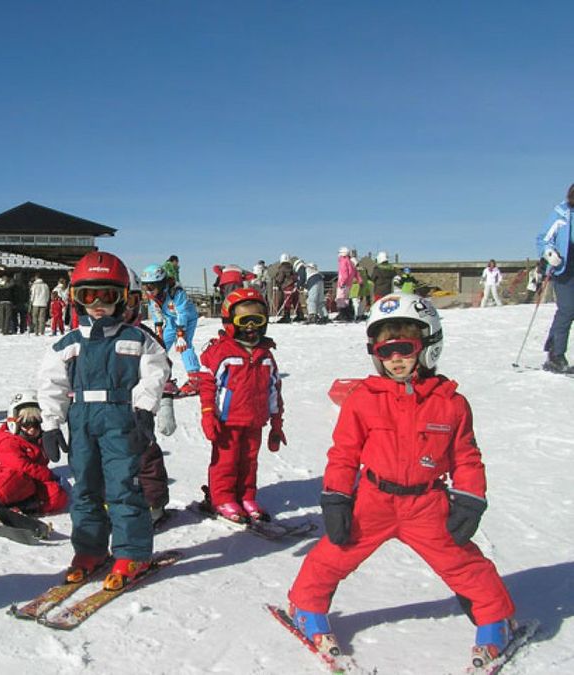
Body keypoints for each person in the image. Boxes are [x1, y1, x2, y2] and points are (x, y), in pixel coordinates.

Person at [285, 292, 516, 666]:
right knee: (335, 553)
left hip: (426, 504)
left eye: (404, 349)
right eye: (385, 351)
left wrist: (470, 499)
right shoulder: (364, 399)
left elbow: (467, 457)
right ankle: (305, 606)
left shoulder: (451, 403)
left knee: (462, 561)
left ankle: (495, 618)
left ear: (428, 346)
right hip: (375, 499)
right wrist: (336, 497)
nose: (395, 359)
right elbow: (344, 453)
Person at [38, 251, 169, 591]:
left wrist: (144, 409)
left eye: (107, 296)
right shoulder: (67, 343)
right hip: (81, 420)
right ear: (76, 299)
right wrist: (50, 424)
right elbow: (52, 383)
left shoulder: (136, 339)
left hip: (121, 419)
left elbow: (156, 371)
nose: (98, 304)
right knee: (85, 488)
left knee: (123, 486)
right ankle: (89, 549)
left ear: (122, 297)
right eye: (89, 295)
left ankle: (132, 553)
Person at [197, 287, 285, 522]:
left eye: (257, 320)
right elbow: (207, 384)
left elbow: (274, 390)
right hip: (228, 422)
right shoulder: (222, 352)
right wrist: (208, 414)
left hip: (255, 420)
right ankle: (222, 498)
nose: (251, 327)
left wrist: (276, 423)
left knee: (249, 461)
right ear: (230, 322)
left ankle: (246, 496)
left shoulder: (265, 355)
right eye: (244, 321)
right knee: (225, 462)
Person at [123, 268, 175, 526]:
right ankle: (112, 503)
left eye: (129, 302)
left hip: (138, 412)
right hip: (102, 413)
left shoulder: (144, 337)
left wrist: (165, 405)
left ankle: (154, 503)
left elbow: (162, 371)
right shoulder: (89, 340)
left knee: (146, 458)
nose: (121, 311)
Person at [0, 391, 68, 515]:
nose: (32, 429)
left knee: (57, 494)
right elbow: (23, 466)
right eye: (27, 424)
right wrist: (48, 475)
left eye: (36, 424)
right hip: (5, 477)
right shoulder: (7, 440)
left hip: (29, 485)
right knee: (8, 481)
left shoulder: (40, 440)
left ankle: (24, 507)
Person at [141, 263, 202, 396]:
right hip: (171, 320)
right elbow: (155, 312)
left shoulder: (176, 292)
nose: (148, 291)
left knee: (184, 345)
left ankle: (195, 379)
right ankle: (163, 378)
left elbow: (182, 313)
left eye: (150, 287)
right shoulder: (153, 296)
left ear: (160, 284)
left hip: (187, 319)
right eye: (144, 287)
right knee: (160, 346)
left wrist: (180, 334)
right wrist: (158, 329)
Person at [536, 183, 574, 373]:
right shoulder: (561, 214)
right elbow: (543, 239)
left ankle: (554, 349)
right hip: (565, 270)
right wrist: (549, 253)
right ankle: (556, 355)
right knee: (567, 310)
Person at [335, 247, 361, 322]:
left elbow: (344, 273)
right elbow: (355, 273)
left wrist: (342, 283)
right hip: (349, 284)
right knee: (346, 300)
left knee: (340, 300)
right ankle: (348, 315)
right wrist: (360, 280)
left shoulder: (343, 261)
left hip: (343, 283)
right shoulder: (350, 262)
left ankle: (343, 315)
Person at [273, 254, 301, 322]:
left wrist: (277, 282)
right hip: (294, 286)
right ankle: (300, 315)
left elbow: (280, 278)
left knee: (287, 302)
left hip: (287, 286)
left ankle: (287, 316)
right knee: (295, 301)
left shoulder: (282, 268)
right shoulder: (292, 267)